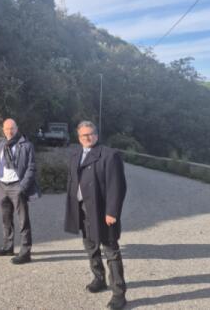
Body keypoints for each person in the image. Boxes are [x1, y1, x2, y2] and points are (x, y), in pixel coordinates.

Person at [64, 121, 127, 309]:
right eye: (84, 135)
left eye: (91, 134)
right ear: (78, 137)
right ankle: (99, 279)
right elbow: (72, 181)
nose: (88, 137)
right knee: (90, 246)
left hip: (102, 211)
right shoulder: (75, 155)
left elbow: (118, 187)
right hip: (82, 209)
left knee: (111, 251)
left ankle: (119, 294)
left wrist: (112, 212)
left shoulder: (110, 155)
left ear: (97, 135)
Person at [0, 118, 40, 264]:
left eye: (12, 128)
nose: (9, 131)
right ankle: (8, 247)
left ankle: (25, 253)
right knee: (5, 219)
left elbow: (32, 168)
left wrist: (22, 187)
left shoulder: (26, 145)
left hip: (17, 187)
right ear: (3, 130)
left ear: (17, 128)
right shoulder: (1, 145)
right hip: (2, 186)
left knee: (23, 220)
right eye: (7, 129)